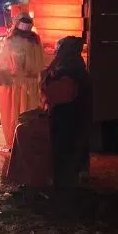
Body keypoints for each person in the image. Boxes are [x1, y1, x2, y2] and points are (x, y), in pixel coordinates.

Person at [41, 36, 93, 188]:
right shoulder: (77, 66)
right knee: (76, 147)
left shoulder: (67, 71)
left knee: (66, 150)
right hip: (78, 118)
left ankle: (65, 185)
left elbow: (56, 94)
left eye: (58, 50)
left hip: (67, 119)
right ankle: (75, 177)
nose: (55, 53)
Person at [0, 14, 45, 150]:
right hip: (30, 85)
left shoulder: (12, 41)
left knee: (16, 114)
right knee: (27, 112)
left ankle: (16, 142)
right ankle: (26, 142)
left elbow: (7, 63)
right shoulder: (35, 40)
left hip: (17, 85)